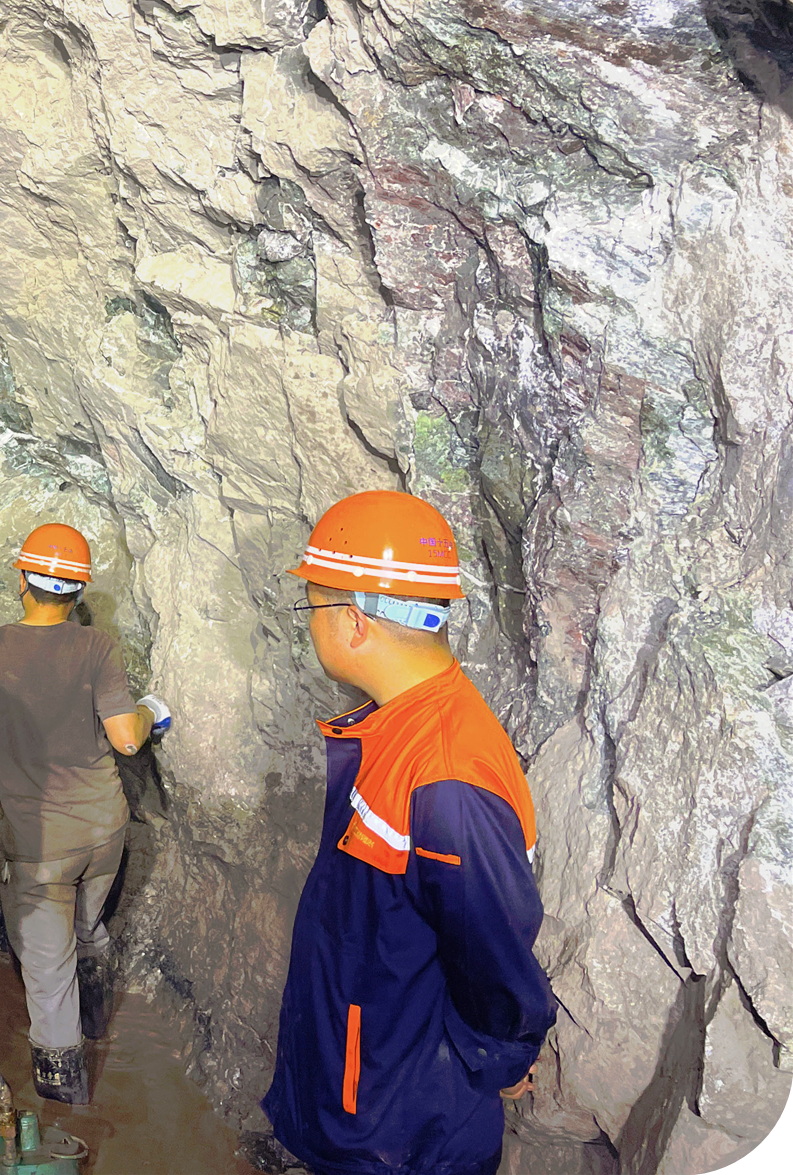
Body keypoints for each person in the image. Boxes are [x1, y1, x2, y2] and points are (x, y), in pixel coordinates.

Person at [263, 490, 556, 1175]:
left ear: (354, 622)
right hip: (370, 1081)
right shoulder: (401, 725)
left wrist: (502, 1058)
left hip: (406, 1125)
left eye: (313, 605)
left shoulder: (446, 779)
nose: (309, 627)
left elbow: (495, 951)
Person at [0, 522, 171, 1105]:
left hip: (40, 846)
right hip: (104, 830)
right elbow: (127, 738)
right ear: (77, 592)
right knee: (89, 927)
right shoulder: (97, 647)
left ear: (23, 579)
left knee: (47, 980)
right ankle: (97, 1020)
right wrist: (152, 711)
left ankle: (65, 1111)